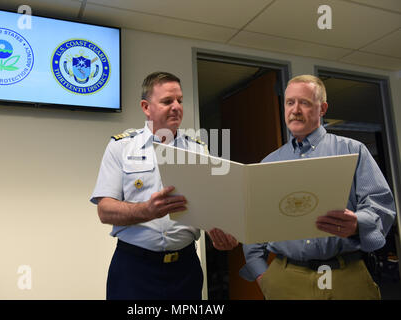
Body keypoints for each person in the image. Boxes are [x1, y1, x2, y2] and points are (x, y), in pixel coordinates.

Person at [240, 75, 396, 300]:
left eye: (304, 102)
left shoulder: (353, 151)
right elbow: (255, 223)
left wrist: (356, 224)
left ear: (322, 108)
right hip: (285, 279)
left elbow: (381, 206)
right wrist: (260, 272)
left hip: (346, 276)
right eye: (289, 102)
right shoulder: (269, 163)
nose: (295, 110)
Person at [90, 71, 238, 300]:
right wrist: (145, 211)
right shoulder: (121, 147)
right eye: (168, 101)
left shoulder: (198, 150)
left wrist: (219, 231)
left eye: (179, 100)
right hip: (134, 269)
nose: (177, 106)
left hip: (185, 269)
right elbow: (104, 210)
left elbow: (209, 206)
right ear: (146, 107)